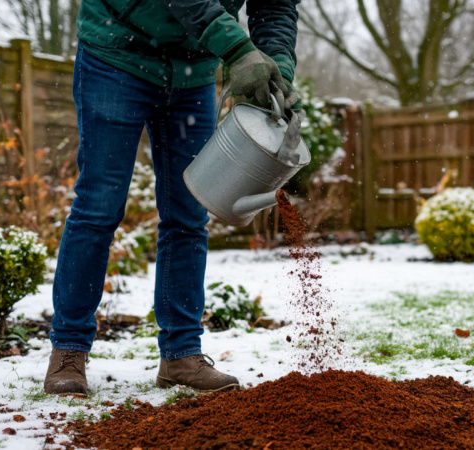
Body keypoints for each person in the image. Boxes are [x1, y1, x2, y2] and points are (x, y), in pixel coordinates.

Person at [43, 0, 301, 396]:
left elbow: (275, 6)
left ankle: (181, 355)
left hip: (192, 71)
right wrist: (238, 50)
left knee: (189, 212)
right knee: (99, 206)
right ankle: (68, 350)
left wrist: (277, 69)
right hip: (117, 52)